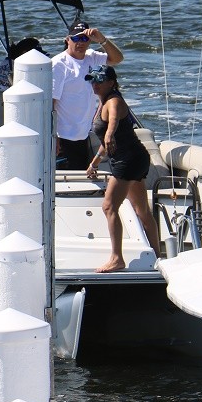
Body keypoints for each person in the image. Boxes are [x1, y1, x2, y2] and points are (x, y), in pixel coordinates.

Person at [85, 65, 160, 273]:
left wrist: (110, 133)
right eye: (92, 80)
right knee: (142, 210)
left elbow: (114, 121)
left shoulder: (114, 101)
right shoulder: (103, 102)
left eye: (100, 80)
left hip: (128, 160)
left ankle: (117, 258)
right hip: (135, 158)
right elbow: (106, 142)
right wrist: (94, 163)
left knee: (109, 207)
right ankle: (158, 256)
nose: (95, 84)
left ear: (111, 83)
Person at [51, 21, 123, 170]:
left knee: (80, 176)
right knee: (66, 181)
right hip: (63, 137)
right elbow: (50, 104)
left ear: (89, 41)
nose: (80, 43)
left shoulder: (92, 57)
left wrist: (102, 40)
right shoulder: (58, 64)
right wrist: (53, 136)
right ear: (67, 40)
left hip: (83, 135)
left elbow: (117, 59)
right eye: (76, 38)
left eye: (84, 38)